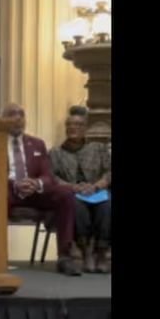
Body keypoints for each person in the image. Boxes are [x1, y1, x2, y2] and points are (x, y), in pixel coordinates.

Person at [2, 102, 81, 276]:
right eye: (12, 114)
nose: (17, 118)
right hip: (9, 191)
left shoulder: (37, 144)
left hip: (34, 192)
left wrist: (36, 183)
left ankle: (65, 257)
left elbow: (48, 175)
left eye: (21, 114)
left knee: (65, 194)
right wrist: (15, 184)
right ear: (2, 120)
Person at [49, 106, 111, 273]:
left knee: (107, 205)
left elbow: (109, 171)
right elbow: (52, 177)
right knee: (74, 204)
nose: (72, 128)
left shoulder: (98, 148)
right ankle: (86, 252)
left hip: (96, 191)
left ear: (85, 129)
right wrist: (72, 187)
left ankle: (102, 252)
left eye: (77, 125)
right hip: (72, 194)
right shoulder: (55, 153)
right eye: (69, 125)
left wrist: (96, 185)